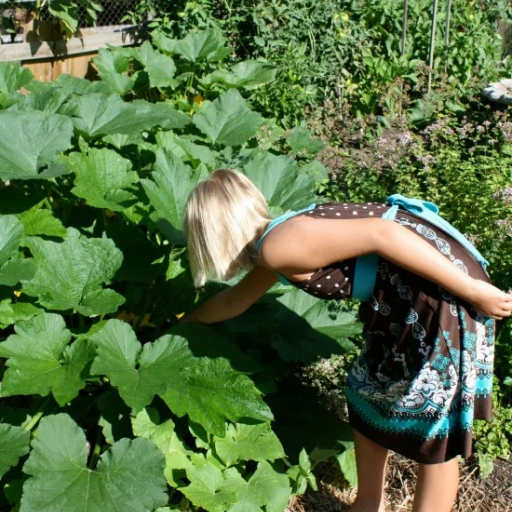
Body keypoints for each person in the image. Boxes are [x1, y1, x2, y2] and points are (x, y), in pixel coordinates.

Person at [182, 168, 512, 512]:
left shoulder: (278, 247)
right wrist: (180, 328)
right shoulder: (276, 243)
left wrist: (473, 290)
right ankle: (367, 504)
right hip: (404, 301)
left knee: (435, 430)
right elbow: (234, 301)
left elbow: (382, 232)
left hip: (439, 296)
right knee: (364, 389)